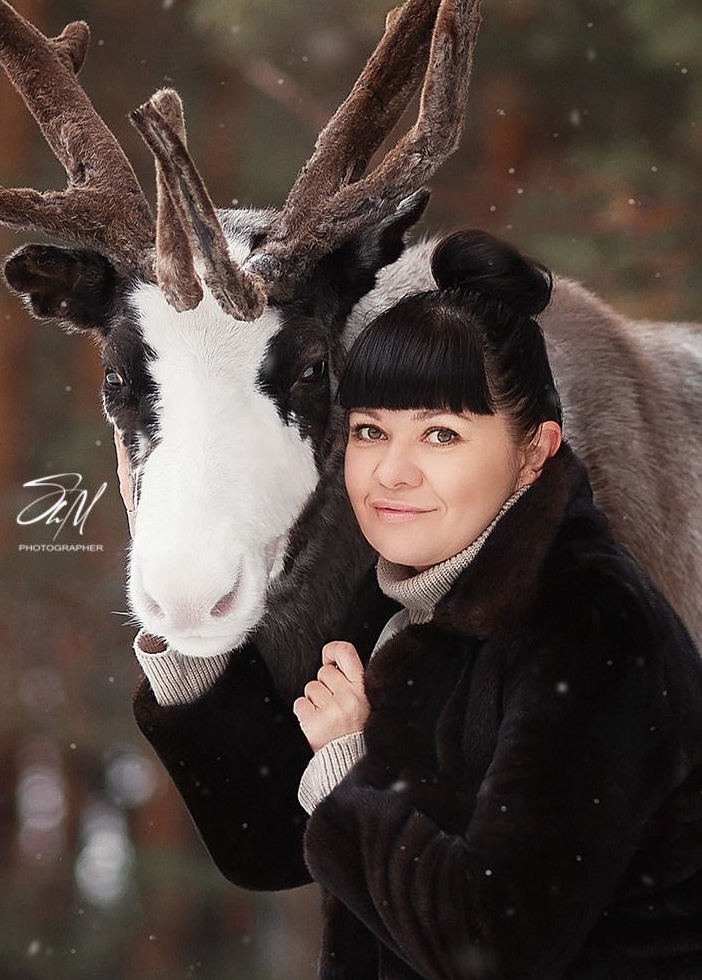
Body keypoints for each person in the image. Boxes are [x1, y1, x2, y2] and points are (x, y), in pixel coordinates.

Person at [123, 230, 702, 979]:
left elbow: (490, 946)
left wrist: (346, 768)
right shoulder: (404, 598)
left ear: (536, 450)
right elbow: (271, 844)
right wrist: (192, 645)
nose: (392, 472)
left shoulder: (596, 630)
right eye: (370, 430)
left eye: (440, 434)